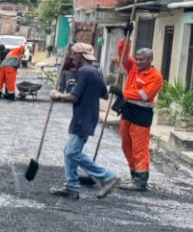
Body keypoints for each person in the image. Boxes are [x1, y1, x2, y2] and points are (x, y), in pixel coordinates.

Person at [49, 41, 119, 200]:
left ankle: (107, 177)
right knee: (68, 152)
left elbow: (74, 97)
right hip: (88, 115)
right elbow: (105, 95)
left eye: (74, 54)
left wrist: (57, 95)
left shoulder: (84, 72)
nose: (72, 57)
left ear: (81, 56)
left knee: (73, 152)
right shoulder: (95, 71)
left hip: (83, 117)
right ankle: (72, 186)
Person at [114, 37, 163, 191]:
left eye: (142, 60)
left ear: (150, 60)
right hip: (127, 110)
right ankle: (134, 175)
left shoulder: (156, 77)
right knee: (126, 145)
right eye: (137, 59)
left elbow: (145, 95)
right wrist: (126, 39)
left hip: (142, 114)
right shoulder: (133, 67)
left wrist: (122, 92)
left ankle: (141, 181)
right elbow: (123, 55)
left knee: (139, 148)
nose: (138, 62)